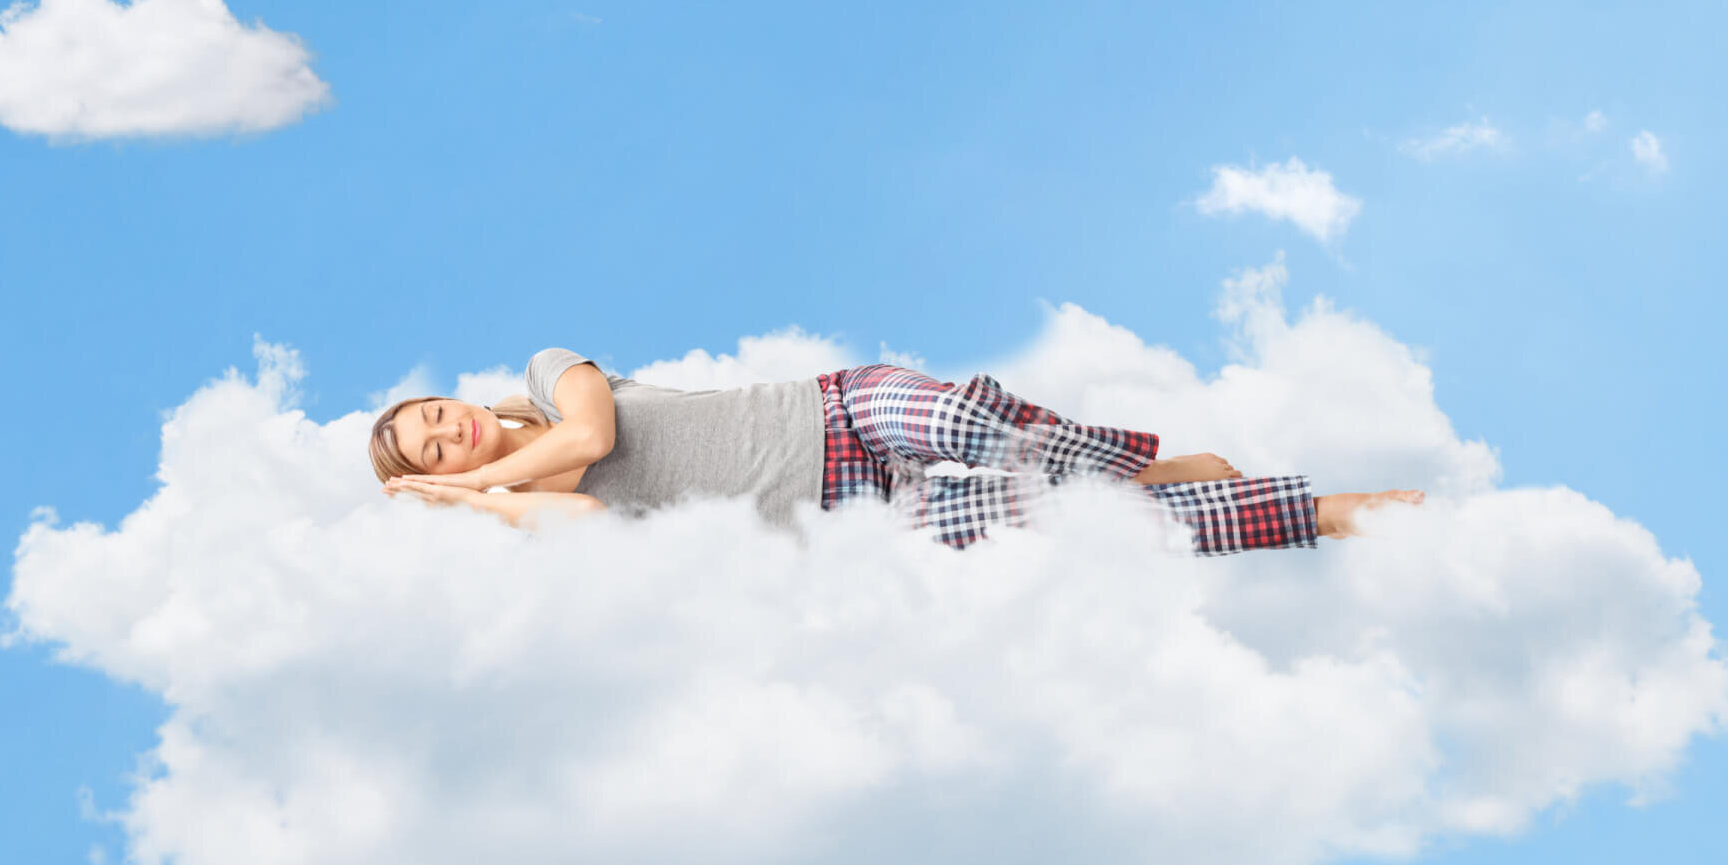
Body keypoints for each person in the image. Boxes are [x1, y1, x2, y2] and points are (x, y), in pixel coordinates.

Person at [366, 347, 1425, 553]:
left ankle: (1137, 458)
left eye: (433, 413)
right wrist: (475, 506)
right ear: (438, 480)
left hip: (842, 411)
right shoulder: (524, 513)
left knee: (972, 424)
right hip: (857, 522)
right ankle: (1323, 510)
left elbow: (592, 438)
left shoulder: (551, 375)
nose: (446, 429)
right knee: (1092, 529)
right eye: (431, 451)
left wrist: (475, 478)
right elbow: (590, 515)